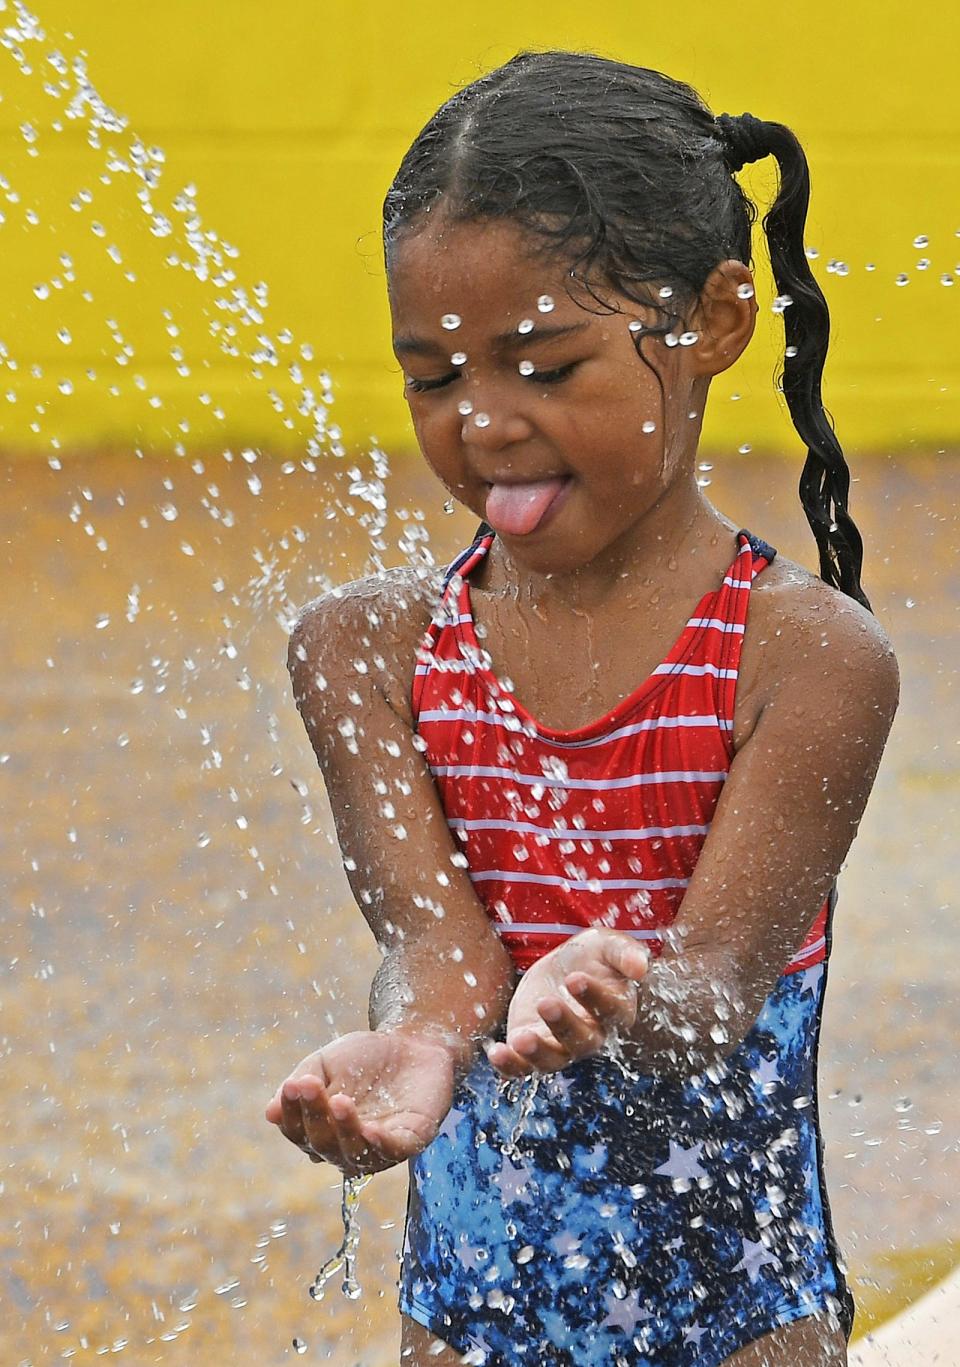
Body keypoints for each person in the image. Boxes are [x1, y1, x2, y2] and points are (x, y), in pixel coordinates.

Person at [265, 50, 899, 1367]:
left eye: (544, 365)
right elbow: (439, 947)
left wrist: (619, 994)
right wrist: (418, 1040)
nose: (484, 426)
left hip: (734, 1313)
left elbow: (718, 995)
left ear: (716, 321)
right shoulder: (367, 653)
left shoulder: (804, 661)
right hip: (470, 1308)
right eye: (434, 379)